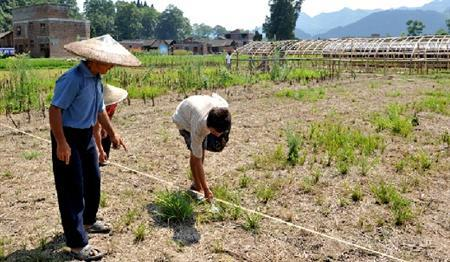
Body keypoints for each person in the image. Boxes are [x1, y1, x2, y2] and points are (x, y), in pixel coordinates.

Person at [49, 34, 141, 261]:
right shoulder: (72, 79)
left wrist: (113, 133)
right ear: (93, 59)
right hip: (68, 135)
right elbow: (54, 110)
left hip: (87, 136)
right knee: (72, 188)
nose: (111, 66)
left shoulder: (96, 80)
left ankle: (88, 221)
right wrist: (61, 142)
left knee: (93, 179)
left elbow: (100, 112)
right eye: (108, 62)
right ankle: (78, 244)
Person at [172, 93, 231, 202]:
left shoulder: (223, 108)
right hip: (183, 118)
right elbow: (197, 159)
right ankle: (197, 187)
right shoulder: (199, 127)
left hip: (198, 104)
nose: (218, 135)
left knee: (202, 149)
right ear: (208, 127)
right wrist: (205, 189)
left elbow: (215, 95)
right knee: (197, 154)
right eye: (214, 132)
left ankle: (198, 183)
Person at [94, 84, 128, 166]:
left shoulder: (113, 105)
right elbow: (96, 129)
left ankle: (104, 158)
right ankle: (97, 157)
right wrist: (100, 150)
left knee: (106, 133)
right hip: (88, 127)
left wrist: (113, 134)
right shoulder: (96, 106)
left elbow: (108, 120)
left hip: (98, 126)